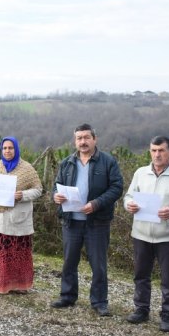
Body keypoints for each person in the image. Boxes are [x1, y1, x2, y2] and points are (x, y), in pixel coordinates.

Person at [51, 123, 123, 316]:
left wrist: (97, 203)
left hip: (97, 222)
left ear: (94, 139)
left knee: (98, 264)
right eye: (79, 138)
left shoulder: (107, 161)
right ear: (75, 141)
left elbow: (117, 187)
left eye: (86, 137)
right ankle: (67, 296)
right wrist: (56, 196)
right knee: (69, 261)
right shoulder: (66, 162)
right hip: (71, 221)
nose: (82, 142)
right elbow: (56, 187)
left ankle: (99, 302)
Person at [123, 136, 169, 332]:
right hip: (141, 234)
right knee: (140, 275)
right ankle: (141, 310)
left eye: (161, 150)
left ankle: (168, 315)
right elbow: (128, 196)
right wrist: (129, 205)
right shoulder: (140, 173)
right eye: (153, 150)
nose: (157, 154)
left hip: (168, 237)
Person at [0, 136, 43, 294]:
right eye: (5, 148)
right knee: (0, 251)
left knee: (18, 252)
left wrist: (22, 195)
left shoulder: (26, 168)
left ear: (16, 149)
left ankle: (20, 285)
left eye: (11, 148)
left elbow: (38, 189)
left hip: (18, 219)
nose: (7, 151)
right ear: (1, 150)